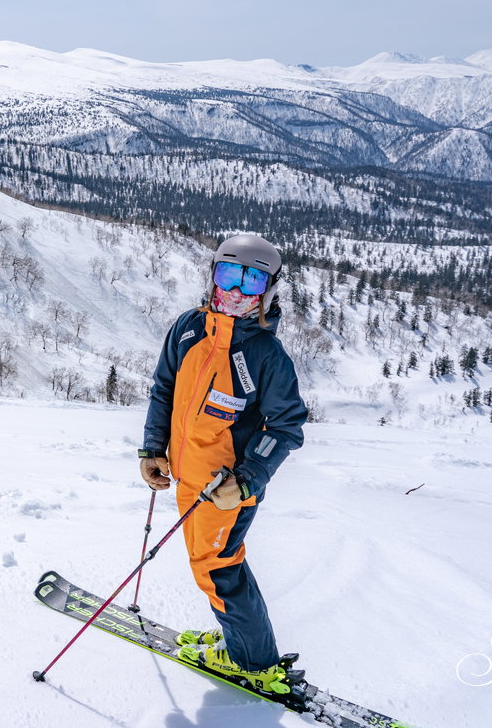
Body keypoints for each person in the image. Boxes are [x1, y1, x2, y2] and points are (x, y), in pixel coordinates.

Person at [138, 233, 307, 694]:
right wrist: (153, 449)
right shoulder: (188, 329)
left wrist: (247, 479)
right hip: (186, 480)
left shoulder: (266, 357)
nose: (236, 290)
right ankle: (244, 644)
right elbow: (164, 391)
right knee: (210, 566)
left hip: (225, 489)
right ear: (213, 275)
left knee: (218, 569)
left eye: (251, 280)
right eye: (228, 273)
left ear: (268, 290)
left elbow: (287, 427)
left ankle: (255, 663)